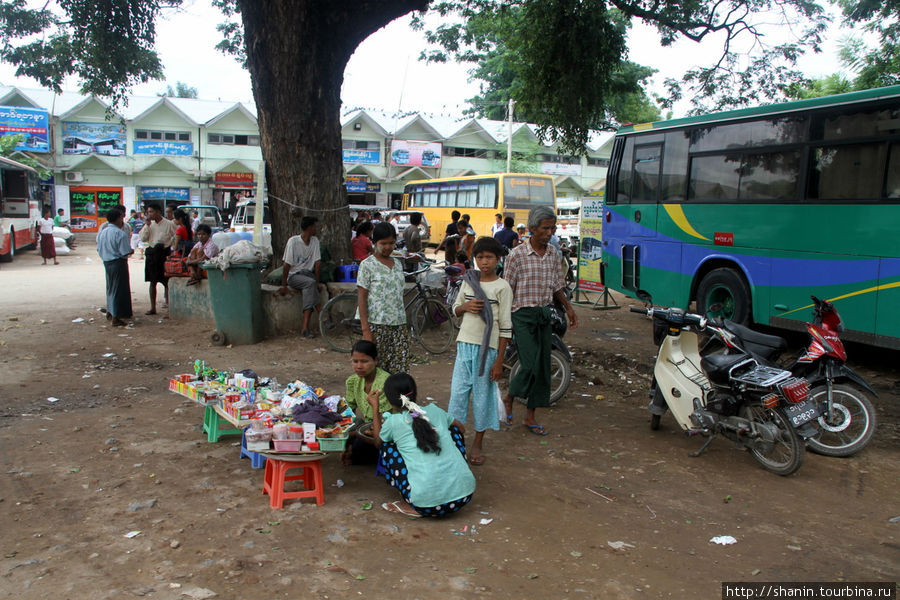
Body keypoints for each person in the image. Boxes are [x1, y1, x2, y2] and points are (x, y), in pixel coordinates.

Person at [502, 205, 578, 436]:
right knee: (530, 363)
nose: (550, 232)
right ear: (532, 229)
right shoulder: (516, 255)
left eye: (552, 228)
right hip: (522, 315)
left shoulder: (554, 254)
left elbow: (557, 285)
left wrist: (569, 308)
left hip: (545, 314)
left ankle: (530, 416)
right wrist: (505, 321)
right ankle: (510, 397)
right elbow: (507, 289)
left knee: (543, 368)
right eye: (546, 228)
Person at [370, 373, 475, 518]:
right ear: (414, 393)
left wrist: (375, 408)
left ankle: (411, 502)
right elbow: (461, 429)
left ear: (389, 401)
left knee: (387, 446)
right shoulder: (434, 410)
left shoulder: (393, 422)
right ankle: (455, 475)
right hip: (465, 495)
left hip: (426, 505)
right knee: (453, 430)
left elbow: (377, 442)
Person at [448, 237, 512, 465]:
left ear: (498, 259)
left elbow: (505, 327)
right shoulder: (469, 280)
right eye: (480, 257)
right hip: (465, 344)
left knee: (483, 399)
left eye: (489, 257)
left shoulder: (502, 287)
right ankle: (456, 441)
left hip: (489, 350)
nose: (484, 262)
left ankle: (477, 443)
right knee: (458, 395)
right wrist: (465, 307)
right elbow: (455, 308)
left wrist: (499, 362)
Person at [357, 222, 409, 375]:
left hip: (399, 325)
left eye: (391, 243)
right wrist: (366, 330)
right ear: (374, 243)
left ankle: (396, 399)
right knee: (377, 371)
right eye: (383, 243)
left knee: (399, 371)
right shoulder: (367, 265)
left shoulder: (398, 264)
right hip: (377, 326)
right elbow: (362, 299)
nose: (387, 247)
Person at [343, 339, 392, 465]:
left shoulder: (385, 382)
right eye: (355, 361)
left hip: (383, 429)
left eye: (364, 361)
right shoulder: (352, 381)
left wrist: (354, 435)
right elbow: (349, 412)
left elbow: (384, 421)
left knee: (360, 446)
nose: (359, 366)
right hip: (366, 426)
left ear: (375, 361)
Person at [279, 216, 322, 338]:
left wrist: (317, 281)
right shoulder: (293, 241)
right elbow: (287, 265)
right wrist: (284, 285)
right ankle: (321, 315)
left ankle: (305, 328)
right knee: (310, 284)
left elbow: (318, 263)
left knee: (311, 284)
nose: (316, 229)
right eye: (315, 226)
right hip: (294, 276)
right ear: (309, 228)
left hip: (308, 275)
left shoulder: (315, 241)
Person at [96, 208, 133, 326]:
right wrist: (131, 250)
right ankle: (116, 317)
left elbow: (98, 248)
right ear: (118, 218)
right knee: (118, 289)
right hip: (118, 262)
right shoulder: (120, 233)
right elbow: (125, 251)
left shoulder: (102, 232)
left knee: (110, 288)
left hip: (107, 262)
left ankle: (110, 311)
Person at [139, 202, 176, 315]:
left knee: (167, 282)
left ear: (158, 212)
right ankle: (152, 307)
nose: (149, 214)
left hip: (164, 253)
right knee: (152, 281)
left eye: (151, 212)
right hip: (152, 253)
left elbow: (175, 238)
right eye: (148, 212)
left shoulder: (169, 224)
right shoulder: (149, 225)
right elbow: (143, 238)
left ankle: (170, 307)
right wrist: (147, 225)